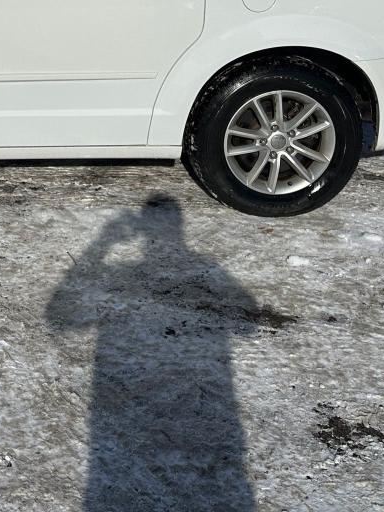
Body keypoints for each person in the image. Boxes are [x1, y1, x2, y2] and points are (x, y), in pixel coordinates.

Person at [46, 198, 257, 512]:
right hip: (201, 431)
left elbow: (59, 316)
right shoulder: (205, 267)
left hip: (153, 430)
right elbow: (247, 322)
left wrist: (104, 242)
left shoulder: (126, 273)